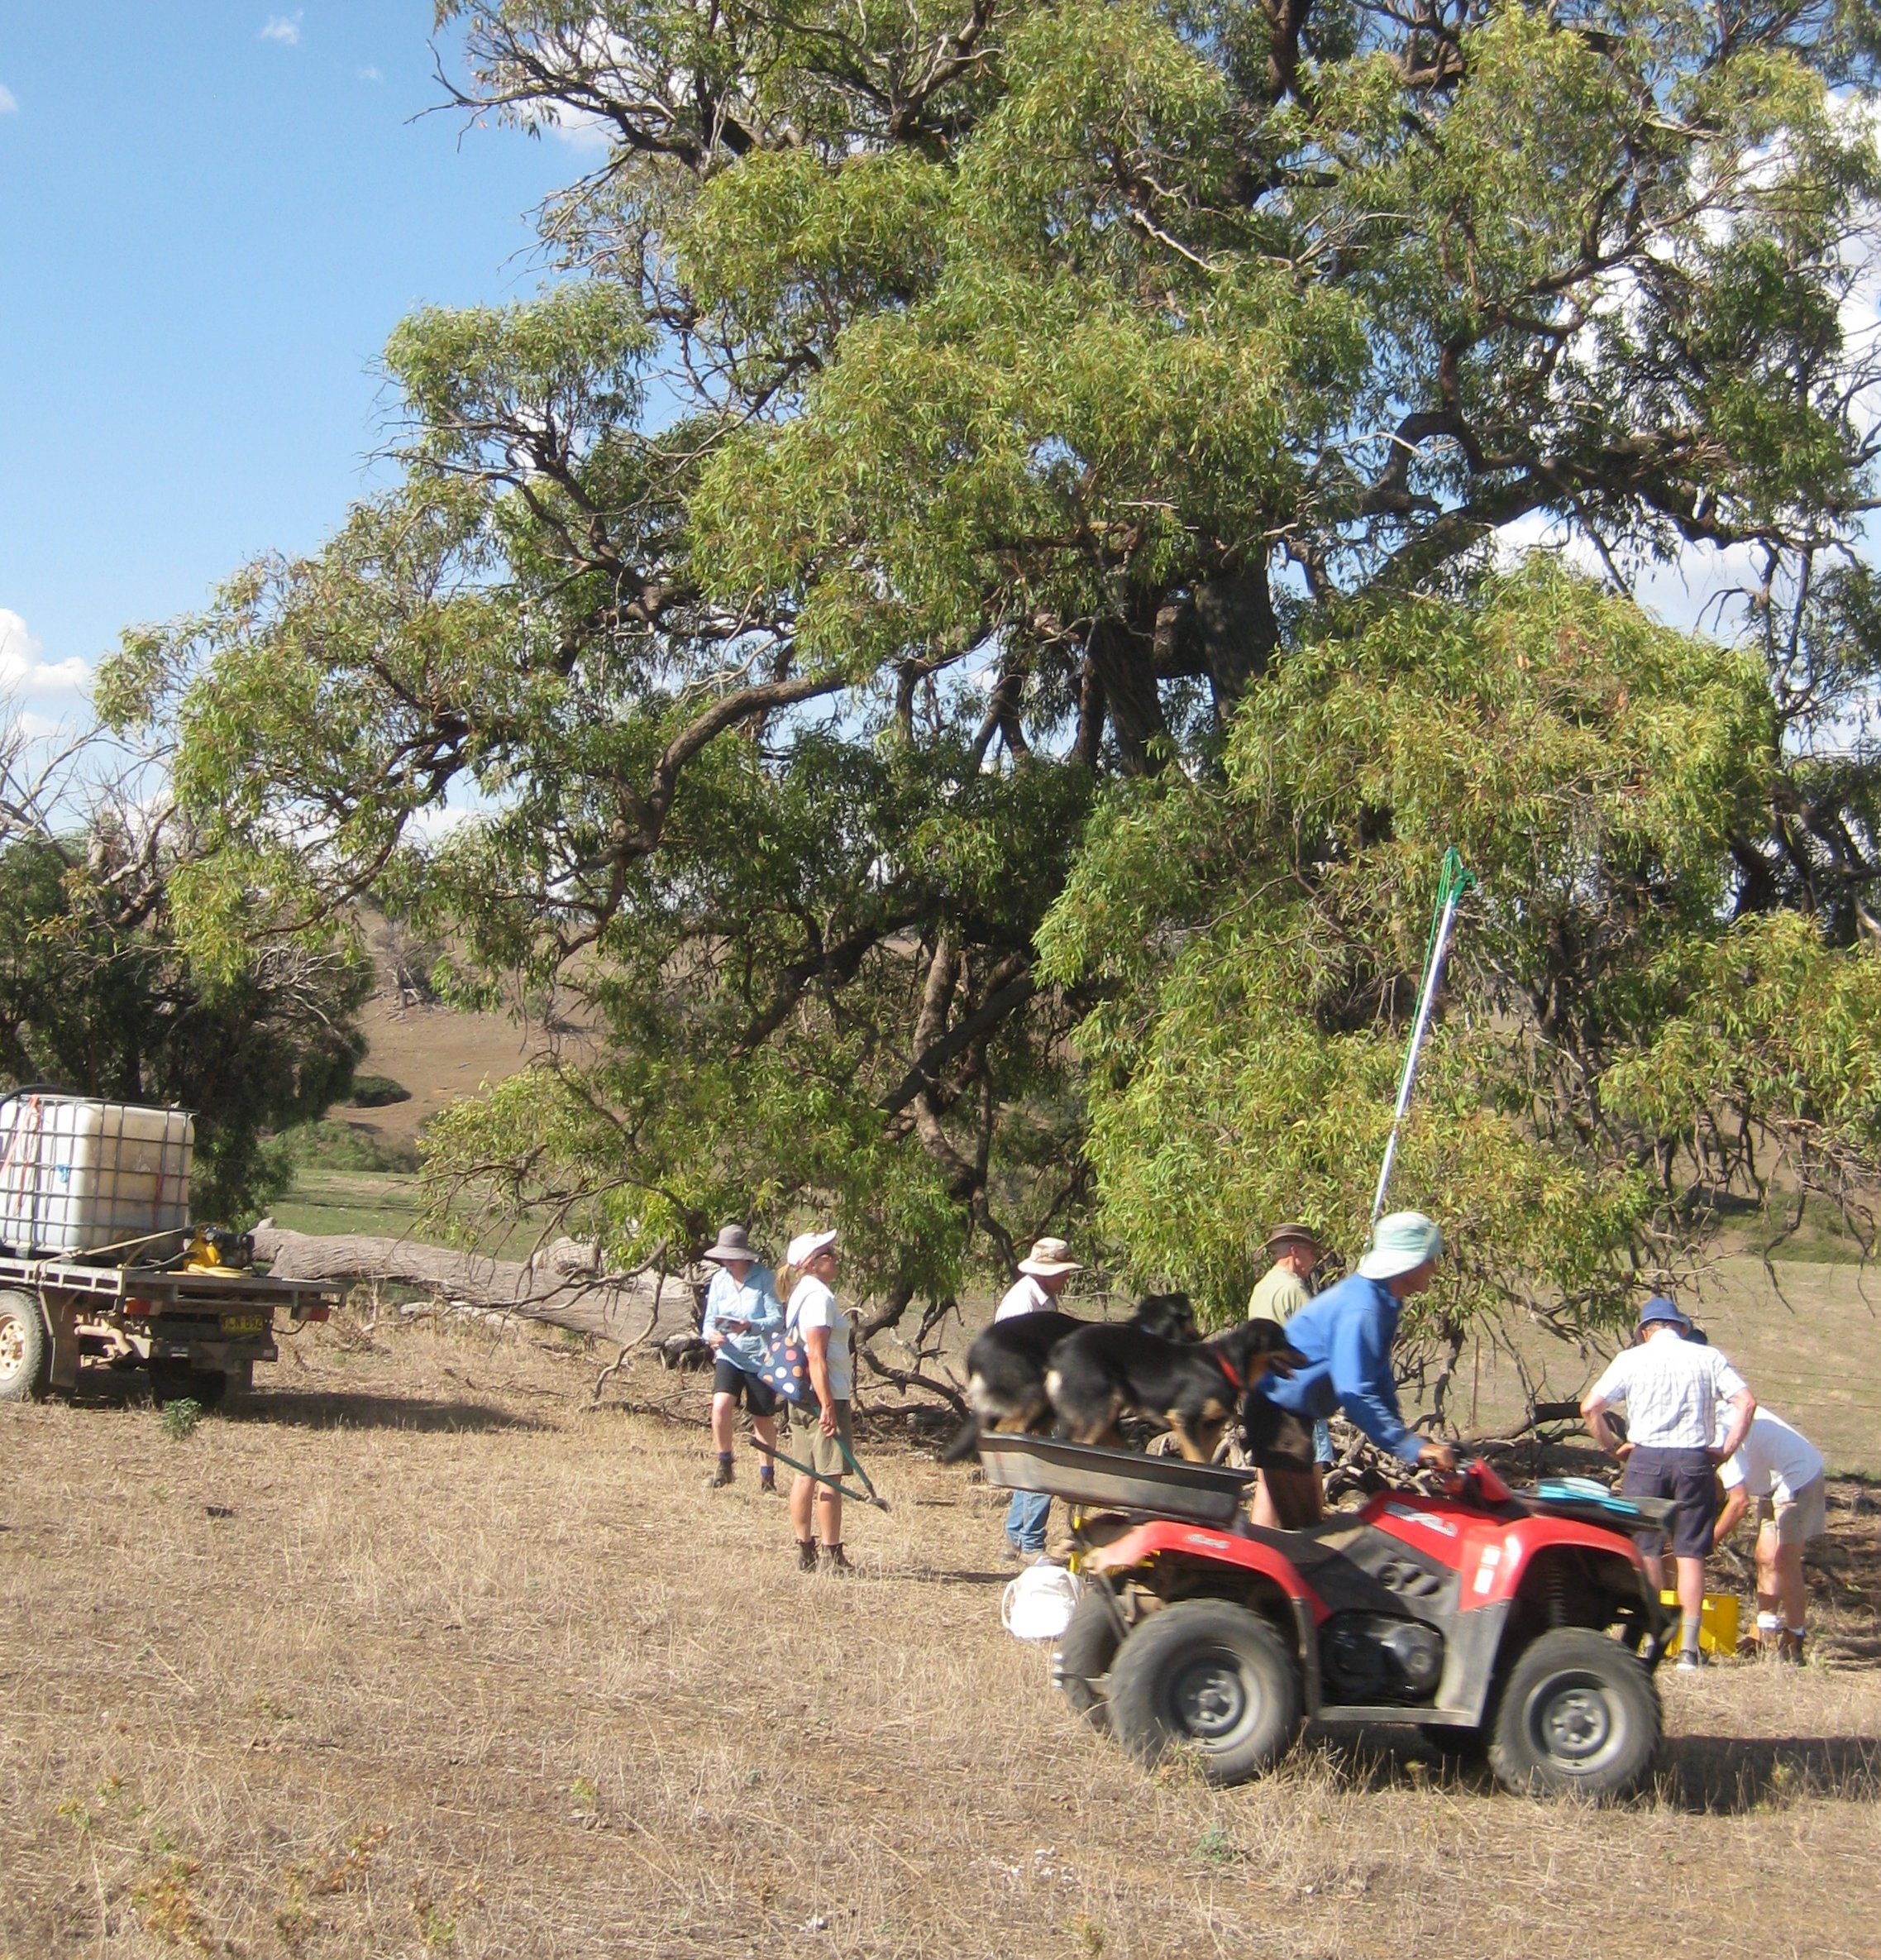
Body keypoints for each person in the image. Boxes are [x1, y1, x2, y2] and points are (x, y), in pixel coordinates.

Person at [1242, 1210, 1458, 1531]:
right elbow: (1355, 1389)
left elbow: (1378, 1377)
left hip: (1290, 1413)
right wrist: (1410, 1446)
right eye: (1429, 1259)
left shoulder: (1383, 1302)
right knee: (1304, 1534)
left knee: (1289, 1525)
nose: (1434, 1268)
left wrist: (1407, 1441)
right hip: (1279, 1413)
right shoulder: (1363, 1307)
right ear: (1408, 1262)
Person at [1581, 1296, 1755, 1672]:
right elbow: (1746, 1402)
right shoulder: (1707, 1357)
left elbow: (1589, 1408)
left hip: (1646, 1460)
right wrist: (1725, 1449)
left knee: (1647, 1550)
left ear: (1646, 1330)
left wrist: (1613, 1448)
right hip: (1694, 1459)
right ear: (1680, 1327)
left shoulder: (1632, 1359)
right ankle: (1689, 1651)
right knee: (1690, 1553)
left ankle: (1648, 1639)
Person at [1715, 1404, 1826, 1663]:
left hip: (1800, 1477)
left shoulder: (1721, 1433)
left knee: (1785, 1561)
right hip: (1774, 1481)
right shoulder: (1706, 1426)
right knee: (1764, 1557)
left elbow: (1739, 1504)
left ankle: (1794, 1640)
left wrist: (1709, 1541)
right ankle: (1764, 1633)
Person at [993, 1236, 1082, 1558]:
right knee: (1042, 1462)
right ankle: (1030, 1542)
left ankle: (1017, 1536)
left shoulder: (1043, 1298)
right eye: (1064, 1270)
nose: (1068, 1276)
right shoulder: (1023, 1303)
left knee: (1032, 1462)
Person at [784, 1229, 858, 1574]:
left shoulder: (802, 1293)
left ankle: (805, 1550)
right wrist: (828, 1404)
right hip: (822, 1397)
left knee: (805, 1471)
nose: (836, 1256)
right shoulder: (819, 1298)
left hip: (801, 1396)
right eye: (828, 1253)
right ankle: (832, 1553)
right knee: (829, 1476)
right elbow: (816, 1356)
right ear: (813, 1263)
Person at [1245, 1222, 1334, 1495]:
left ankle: (1261, 1536)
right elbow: (1316, 1343)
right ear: (1295, 1251)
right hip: (1296, 1394)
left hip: (1263, 1393)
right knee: (1312, 1470)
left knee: (1268, 1483)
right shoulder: (1294, 1289)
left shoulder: (1263, 1286)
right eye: (1310, 1252)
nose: (1313, 1259)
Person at [699, 1221, 784, 1492]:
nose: (727, 1262)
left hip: (759, 1357)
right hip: (728, 1354)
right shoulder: (719, 1280)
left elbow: (777, 1320)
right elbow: (709, 1321)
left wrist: (750, 1325)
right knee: (720, 1405)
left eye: (732, 1257)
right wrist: (711, 1336)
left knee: (762, 1416)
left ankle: (767, 1476)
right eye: (724, 1256)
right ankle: (724, 1464)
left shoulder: (764, 1278)